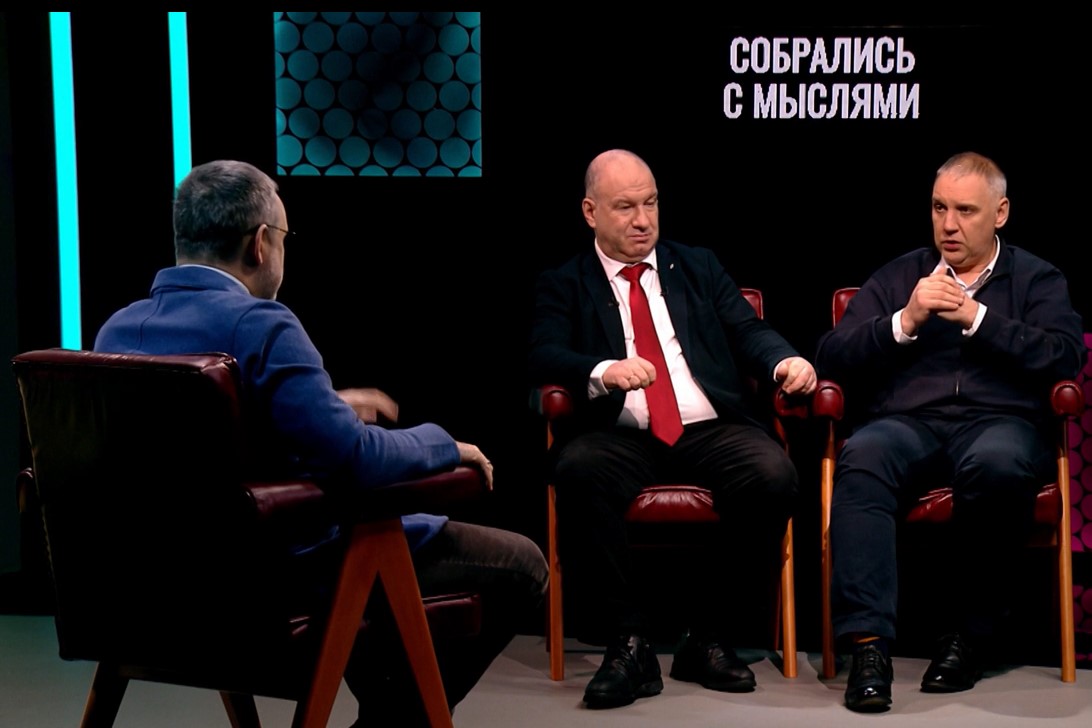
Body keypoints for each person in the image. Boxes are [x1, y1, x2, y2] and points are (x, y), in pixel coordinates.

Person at [93, 159, 549, 728]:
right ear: (261, 243)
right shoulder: (263, 325)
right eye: (284, 237)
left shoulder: (115, 332)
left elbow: (196, 442)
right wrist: (444, 445)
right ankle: (395, 721)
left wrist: (323, 406)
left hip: (151, 590)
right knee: (523, 566)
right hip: (274, 581)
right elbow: (356, 459)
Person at [527, 148, 817, 709]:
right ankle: (629, 643)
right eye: (625, 207)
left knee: (773, 475)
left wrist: (783, 360)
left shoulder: (698, 266)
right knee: (578, 469)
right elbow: (543, 353)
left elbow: (747, 330)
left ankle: (709, 637)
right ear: (590, 212)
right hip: (618, 431)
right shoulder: (565, 282)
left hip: (706, 425)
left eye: (651, 203)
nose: (643, 220)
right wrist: (605, 371)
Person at [815, 151, 1085, 713]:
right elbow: (833, 354)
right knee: (863, 456)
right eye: (940, 208)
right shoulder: (902, 276)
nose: (949, 225)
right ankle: (868, 648)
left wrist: (978, 320)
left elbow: (1063, 356)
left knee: (997, 465)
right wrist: (905, 321)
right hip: (909, 423)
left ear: (1000, 213)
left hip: (1001, 423)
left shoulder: (1037, 278)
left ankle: (968, 638)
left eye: (966, 211)